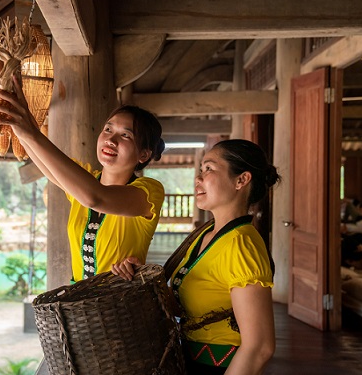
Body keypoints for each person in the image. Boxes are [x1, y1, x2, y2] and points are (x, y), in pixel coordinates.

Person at [0, 34, 166, 282]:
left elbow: (95, 197)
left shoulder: (148, 193)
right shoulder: (84, 180)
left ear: (144, 154)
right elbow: (45, 163)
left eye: (125, 135)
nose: (110, 140)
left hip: (120, 310)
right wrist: (3, 79)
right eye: (108, 129)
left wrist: (30, 132)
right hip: (80, 308)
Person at [112, 139, 279, 375]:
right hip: (190, 362)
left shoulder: (241, 245)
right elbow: (186, 306)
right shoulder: (206, 235)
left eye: (209, 169)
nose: (198, 179)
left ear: (241, 180)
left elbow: (260, 347)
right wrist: (141, 276)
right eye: (201, 170)